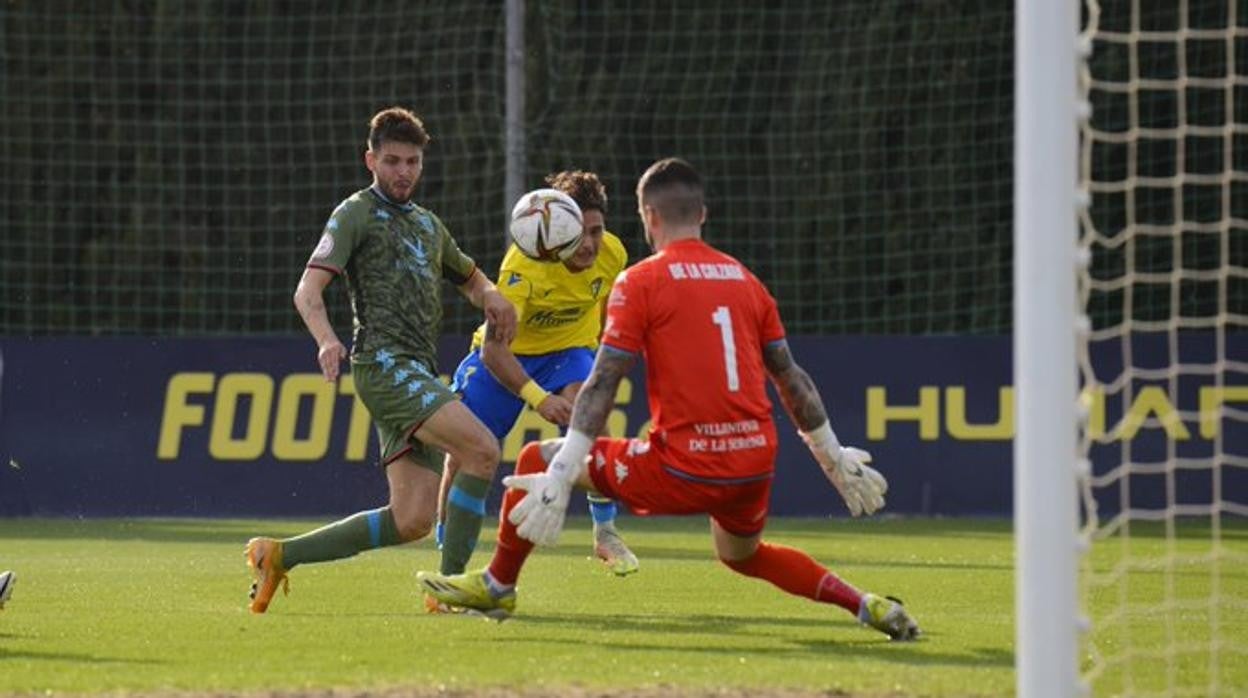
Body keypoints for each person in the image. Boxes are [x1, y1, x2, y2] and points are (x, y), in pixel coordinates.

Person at [417, 158, 920, 640]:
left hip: (683, 464)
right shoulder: (746, 281)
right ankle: (864, 603)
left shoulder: (640, 279)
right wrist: (833, 457)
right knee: (742, 554)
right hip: (752, 463)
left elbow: (604, 380)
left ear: (648, 217)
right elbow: (792, 377)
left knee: (535, 457)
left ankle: (499, 585)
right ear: (702, 214)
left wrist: (564, 469)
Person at [244, 106, 517, 614]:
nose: (403, 172)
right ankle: (453, 589)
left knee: (411, 519)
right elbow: (308, 290)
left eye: (412, 161)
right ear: (370, 160)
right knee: (481, 449)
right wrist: (326, 340)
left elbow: (471, 279)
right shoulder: (355, 213)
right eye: (392, 161)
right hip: (384, 366)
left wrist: (494, 295)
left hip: (416, 370)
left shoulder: (430, 226)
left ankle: (278, 555)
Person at [433, 170, 638, 590]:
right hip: (506, 358)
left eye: (596, 231)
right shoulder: (524, 267)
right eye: (578, 233)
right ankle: (447, 561)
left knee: (592, 411)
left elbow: (604, 308)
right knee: (465, 455)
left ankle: (605, 532)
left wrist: (600, 357)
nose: (589, 244)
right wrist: (538, 397)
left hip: (567, 353)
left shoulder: (613, 254)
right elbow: (494, 350)